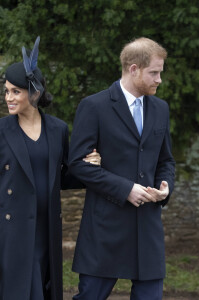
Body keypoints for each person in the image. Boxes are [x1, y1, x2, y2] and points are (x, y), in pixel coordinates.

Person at [0, 37, 101, 300]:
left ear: (35, 93)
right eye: (7, 91)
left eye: (15, 91)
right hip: (9, 232)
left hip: (46, 229)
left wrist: (88, 168)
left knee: (42, 290)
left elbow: (60, 178)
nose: (8, 97)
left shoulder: (58, 129)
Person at [68, 37, 176, 300]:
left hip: (147, 229)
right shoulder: (94, 106)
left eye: (160, 73)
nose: (159, 79)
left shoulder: (161, 109)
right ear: (134, 69)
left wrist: (165, 187)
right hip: (106, 229)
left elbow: (166, 161)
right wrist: (125, 188)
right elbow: (76, 165)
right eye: (154, 72)